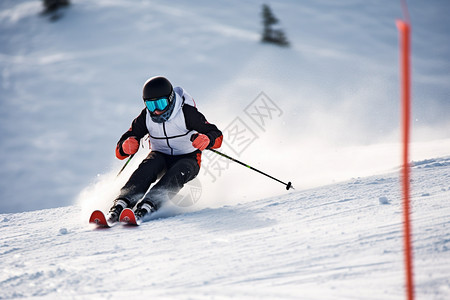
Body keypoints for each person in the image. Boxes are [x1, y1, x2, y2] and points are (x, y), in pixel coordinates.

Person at [107, 76, 223, 223]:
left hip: (188, 158)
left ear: (170, 99)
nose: (156, 111)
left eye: (160, 104)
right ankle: (121, 203)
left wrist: (207, 139)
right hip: (160, 155)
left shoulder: (187, 113)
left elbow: (216, 134)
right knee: (147, 167)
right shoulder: (145, 117)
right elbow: (123, 145)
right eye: (151, 105)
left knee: (177, 172)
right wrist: (126, 146)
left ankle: (148, 206)